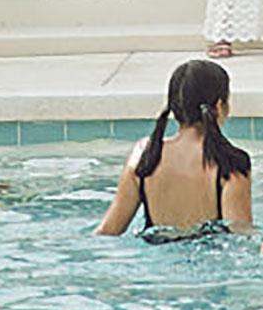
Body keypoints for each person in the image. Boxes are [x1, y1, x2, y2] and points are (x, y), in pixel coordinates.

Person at [96, 57, 252, 237]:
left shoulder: (144, 155)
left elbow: (108, 231)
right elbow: (242, 239)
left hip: (157, 259)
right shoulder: (230, 163)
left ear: (174, 106)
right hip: (209, 261)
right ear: (219, 105)